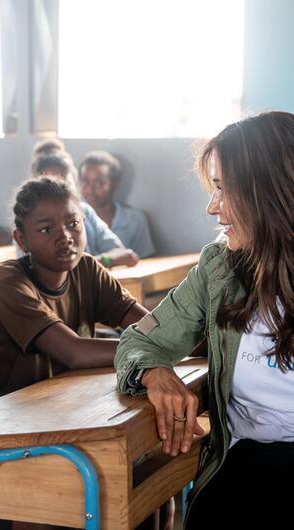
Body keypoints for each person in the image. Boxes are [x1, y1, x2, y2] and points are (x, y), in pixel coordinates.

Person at [115, 111, 294, 529]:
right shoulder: (219, 268)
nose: (212, 207)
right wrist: (154, 373)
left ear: (271, 192)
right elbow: (137, 343)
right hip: (243, 459)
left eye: (223, 189)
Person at [0, 176, 147, 402]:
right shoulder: (8, 281)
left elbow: (148, 327)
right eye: (46, 229)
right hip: (3, 415)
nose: (65, 237)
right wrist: (152, 349)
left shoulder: (87, 268)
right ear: (21, 239)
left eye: (73, 224)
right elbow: (75, 353)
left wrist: (192, 342)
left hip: (63, 399)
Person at [31, 148, 139, 267]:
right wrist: (95, 265)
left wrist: (100, 262)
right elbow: (42, 271)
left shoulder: (86, 211)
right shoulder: (28, 220)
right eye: (51, 185)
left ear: (74, 181)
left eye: (65, 182)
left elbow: (122, 253)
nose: (59, 191)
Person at [79, 150, 155, 258]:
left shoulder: (135, 220)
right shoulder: (75, 220)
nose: (90, 189)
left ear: (114, 184)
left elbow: (146, 262)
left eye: (99, 183)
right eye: (85, 181)